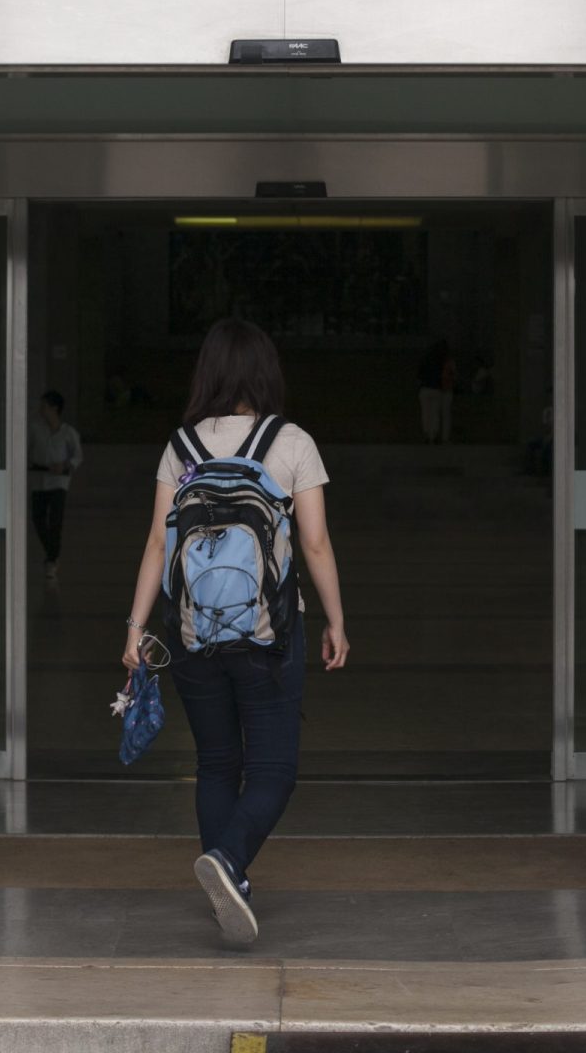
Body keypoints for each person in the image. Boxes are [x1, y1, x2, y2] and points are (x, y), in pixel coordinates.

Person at [121, 318, 350, 945]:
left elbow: (154, 542)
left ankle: (232, 883)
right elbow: (316, 543)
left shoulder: (181, 447)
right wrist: (335, 620)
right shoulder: (292, 441)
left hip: (192, 634)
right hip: (268, 635)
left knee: (216, 763)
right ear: (265, 372)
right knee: (274, 769)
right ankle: (228, 861)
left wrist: (135, 628)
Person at [29, 390, 83, 579]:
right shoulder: (35, 429)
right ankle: (51, 552)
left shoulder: (68, 433)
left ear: (54, 408)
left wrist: (66, 465)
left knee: (55, 521)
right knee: (38, 519)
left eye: (44, 406)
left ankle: (52, 559)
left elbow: (77, 455)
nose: (41, 409)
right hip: (39, 480)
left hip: (59, 482)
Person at [417, 338, 456, 444]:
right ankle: (433, 435)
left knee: (425, 413)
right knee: (435, 413)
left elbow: (419, 374)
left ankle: (426, 433)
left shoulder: (425, 359)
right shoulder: (441, 360)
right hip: (436, 388)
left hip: (425, 388)